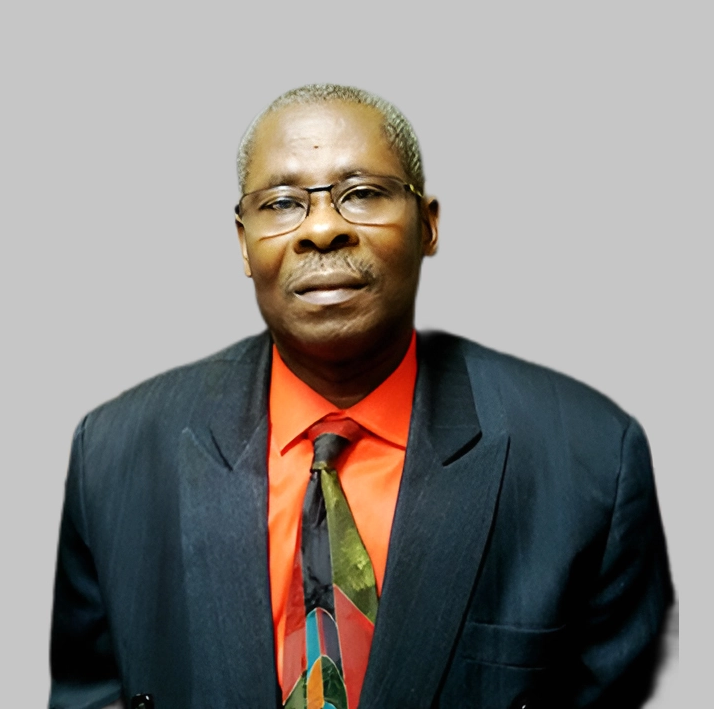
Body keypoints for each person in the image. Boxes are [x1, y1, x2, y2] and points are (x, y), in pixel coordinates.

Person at [49, 84, 673, 709]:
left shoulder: (590, 459)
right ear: (243, 241)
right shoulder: (114, 456)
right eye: (283, 203)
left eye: (364, 193)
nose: (322, 229)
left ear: (428, 224)